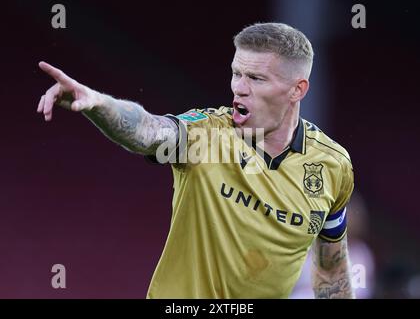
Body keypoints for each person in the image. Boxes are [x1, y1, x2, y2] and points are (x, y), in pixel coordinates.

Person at [37, 22, 355, 298]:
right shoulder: (206, 135)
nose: (239, 88)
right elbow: (148, 131)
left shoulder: (332, 167)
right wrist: (99, 103)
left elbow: (331, 269)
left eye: (256, 79)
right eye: (236, 73)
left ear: (297, 90)